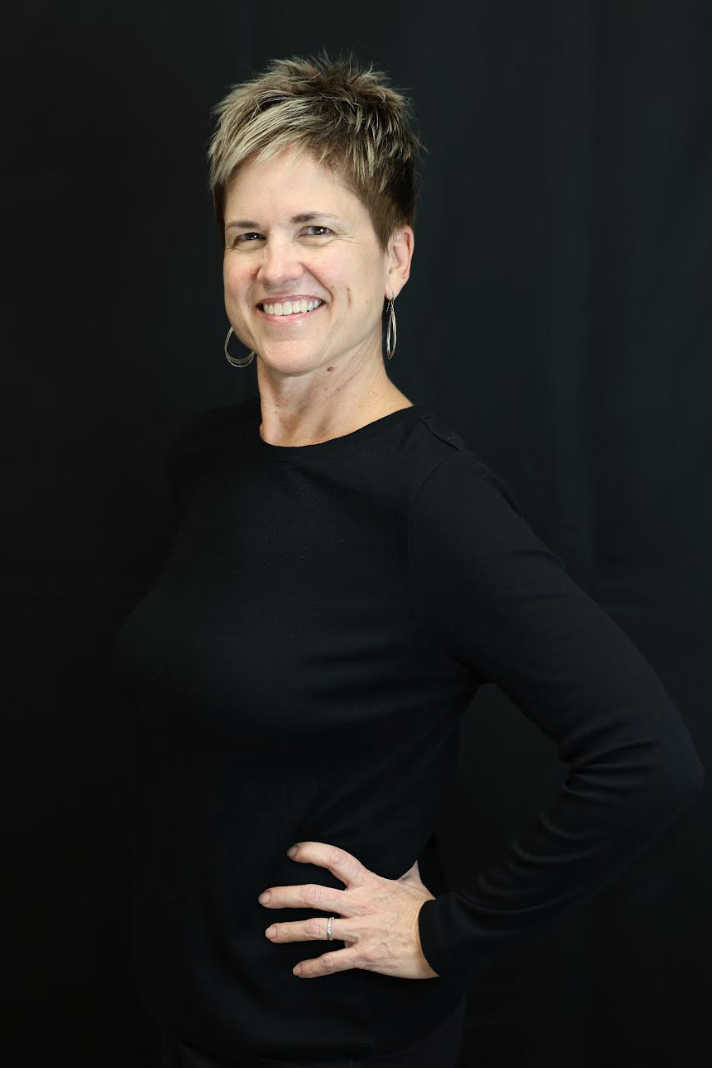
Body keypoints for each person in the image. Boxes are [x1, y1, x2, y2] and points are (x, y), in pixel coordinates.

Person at [111, 51, 704, 1068]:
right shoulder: (209, 459)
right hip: (186, 1022)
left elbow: (646, 761)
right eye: (246, 235)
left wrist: (441, 935)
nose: (274, 266)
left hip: (333, 1045)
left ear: (395, 259)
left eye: (316, 231)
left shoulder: (433, 504)